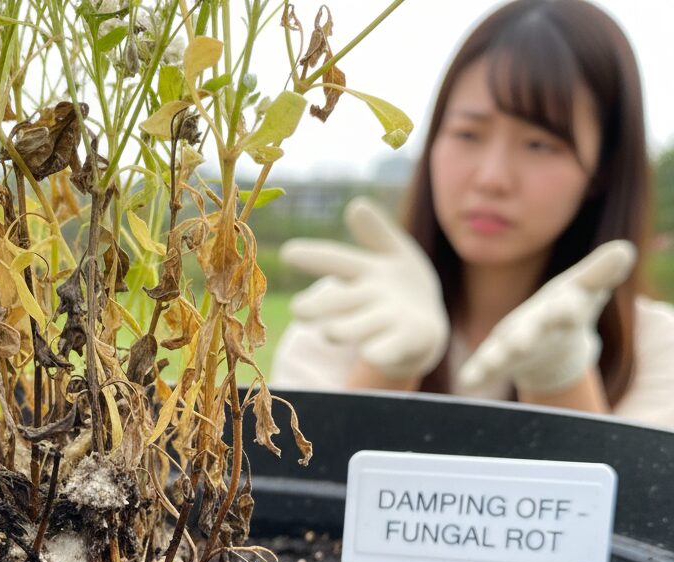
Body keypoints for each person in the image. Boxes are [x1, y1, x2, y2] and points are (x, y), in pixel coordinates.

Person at [270, 0, 674, 428]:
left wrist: (560, 375)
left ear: (603, 169)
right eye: (468, 133)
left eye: (540, 144)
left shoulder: (657, 349)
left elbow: (635, 495)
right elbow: (302, 491)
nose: (492, 178)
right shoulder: (342, 322)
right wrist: (387, 368)